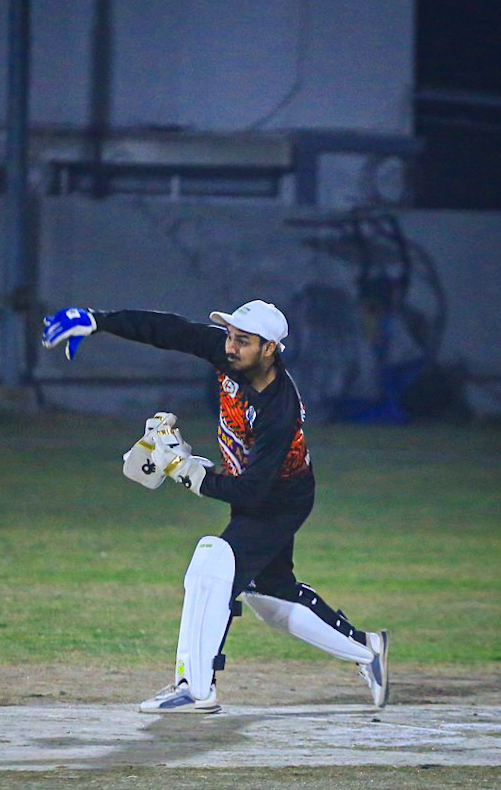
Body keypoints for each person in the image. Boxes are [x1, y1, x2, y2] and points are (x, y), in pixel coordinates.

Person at [42, 300, 389, 714]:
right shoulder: (232, 356)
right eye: (230, 336)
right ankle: (368, 650)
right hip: (262, 493)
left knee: (212, 561)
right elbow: (169, 330)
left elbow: (250, 493)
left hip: (279, 501)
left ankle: (196, 687)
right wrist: (98, 321)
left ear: (269, 348)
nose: (230, 346)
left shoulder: (278, 409)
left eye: (243, 340)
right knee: (272, 598)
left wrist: (185, 470)